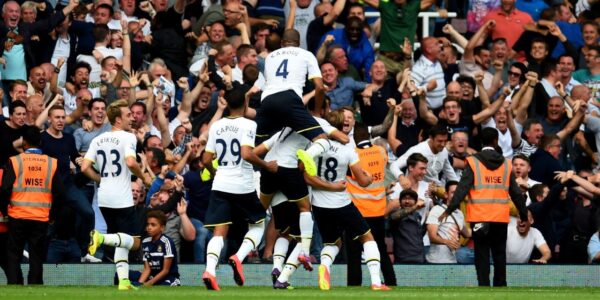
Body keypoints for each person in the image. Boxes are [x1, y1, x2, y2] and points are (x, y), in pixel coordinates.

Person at [201, 89, 277, 291]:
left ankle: (209, 271)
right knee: (259, 224)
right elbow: (246, 153)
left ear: (225, 105)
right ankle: (239, 256)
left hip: (221, 184)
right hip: (243, 184)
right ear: (244, 105)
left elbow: (206, 159)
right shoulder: (249, 124)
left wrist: (214, 172)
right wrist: (266, 165)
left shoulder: (216, 126)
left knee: (219, 232)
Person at [305, 110, 389, 291]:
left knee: (332, 243)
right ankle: (376, 282)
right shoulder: (348, 150)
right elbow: (363, 181)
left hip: (319, 205)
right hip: (342, 203)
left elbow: (305, 174)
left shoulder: (317, 145)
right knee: (367, 238)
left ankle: (325, 267)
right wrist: (369, 176)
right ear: (342, 127)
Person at [441, 127, 528, 287]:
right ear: (496, 141)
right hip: (500, 217)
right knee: (499, 254)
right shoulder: (507, 164)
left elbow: (462, 188)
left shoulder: (473, 162)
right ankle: (501, 285)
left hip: (479, 217)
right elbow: (516, 193)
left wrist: (449, 209)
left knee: (481, 254)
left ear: (481, 142)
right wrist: (523, 215)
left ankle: (483, 286)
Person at [81, 99, 151, 290]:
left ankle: (124, 281)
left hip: (104, 197)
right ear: (118, 119)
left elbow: (85, 167)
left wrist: (100, 179)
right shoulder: (128, 137)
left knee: (121, 239)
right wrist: (143, 178)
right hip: (121, 197)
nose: (132, 118)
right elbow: (130, 162)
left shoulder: (97, 139)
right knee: (135, 242)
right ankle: (100, 238)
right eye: (128, 115)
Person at [257, 29, 330, 177]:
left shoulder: (270, 57)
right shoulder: (306, 54)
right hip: (289, 100)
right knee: (322, 139)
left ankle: (220, 161)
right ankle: (307, 156)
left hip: (267, 101)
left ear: (282, 43)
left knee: (253, 139)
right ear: (299, 43)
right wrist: (316, 110)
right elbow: (320, 87)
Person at [0, 126, 66, 284]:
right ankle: (35, 285)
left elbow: (4, 190)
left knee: (14, 254)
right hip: (41, 217)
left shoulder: (15, 161)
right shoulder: (51, 163)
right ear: (41, 142)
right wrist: (52, 215)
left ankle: (15, 284)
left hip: (17, 216)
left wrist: (5, 212)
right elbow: (60, 193)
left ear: (24, 142)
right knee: (36, 256)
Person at [345, 123, 396, 287]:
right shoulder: (381, 151)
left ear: (354, 138)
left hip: (357, 211)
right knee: (380, 249)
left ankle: (354, 285)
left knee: (354, 252)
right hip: (378, 210)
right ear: (368, 137)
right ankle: (391, 281)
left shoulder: (352, 155)